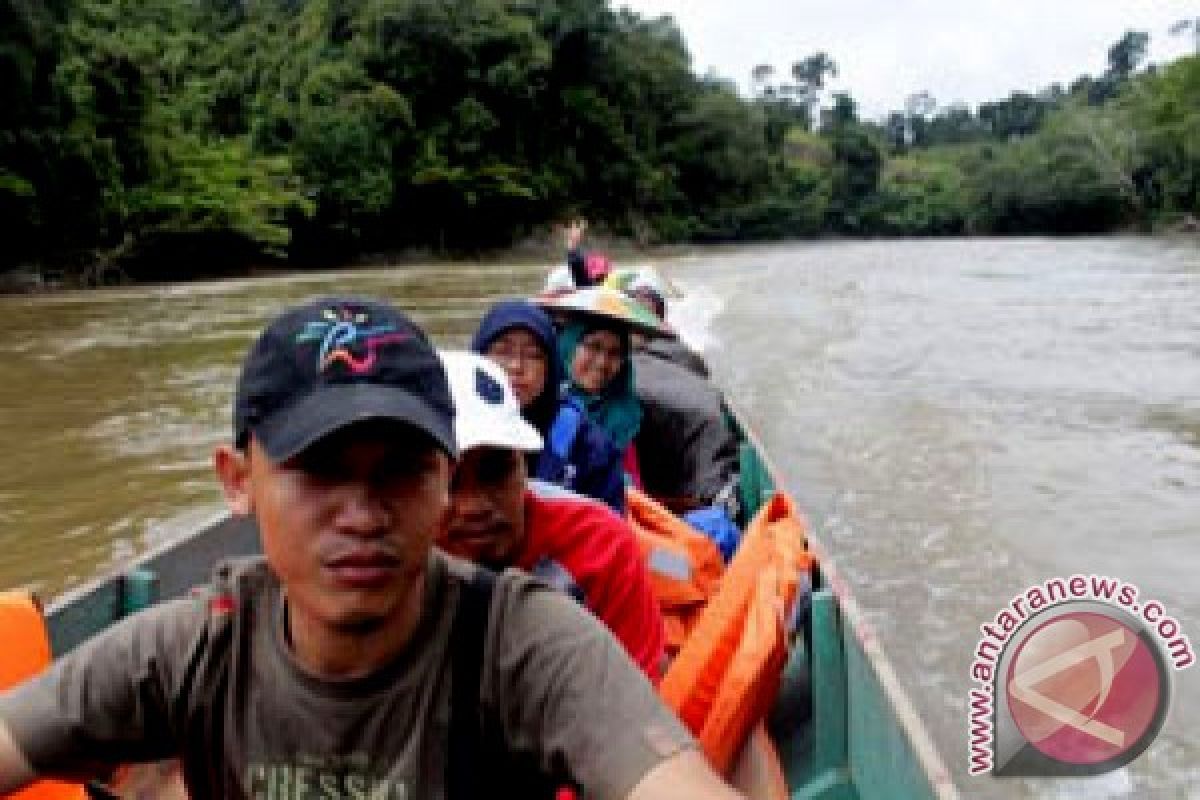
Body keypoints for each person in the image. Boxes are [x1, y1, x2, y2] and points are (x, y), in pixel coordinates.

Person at [0, 297, 745, 800]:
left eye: (401, 469)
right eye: (318, 469)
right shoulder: (192, 649)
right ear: (239, 481)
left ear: (442, 480)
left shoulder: (526, 645)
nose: (362, 514)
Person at [436, 350, 666, 680]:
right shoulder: (389, 557)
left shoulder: (601, 545)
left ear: (523, 466)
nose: (474, 505)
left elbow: (637, 701)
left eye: (495, 472)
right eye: (450, 481)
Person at [470, 299, 626, 512]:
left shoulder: (590, 447)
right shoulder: (451, 433)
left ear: (550, 368)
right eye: (503, 352)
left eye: (533, 355)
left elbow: (611, 531)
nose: (516, 367)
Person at [557, 314, 645, 486]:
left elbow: (634, 491)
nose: (602, 363)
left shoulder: (622, 417)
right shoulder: (540, 402)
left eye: (615, 353)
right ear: (569, 346)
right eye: (593, 347)